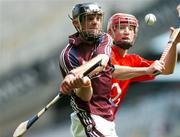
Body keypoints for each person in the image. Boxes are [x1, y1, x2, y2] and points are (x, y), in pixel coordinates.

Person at [58, 3, 165, 137]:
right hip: (88, 118)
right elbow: (84, 96)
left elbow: (105, 65)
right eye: (90, 19)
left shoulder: (104, 38)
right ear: (77, 23)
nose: (95, 22)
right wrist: (85, 84)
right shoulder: (68, 55)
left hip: (107, 121)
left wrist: (146, 70)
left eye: (98, 18)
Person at [107, 13, 180, 118]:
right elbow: (113, 71)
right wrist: (146, 70)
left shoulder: (133, 60)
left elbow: (166, 69)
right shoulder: (104, 53)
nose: (127, 31)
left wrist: (173, 44)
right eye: (122, 28)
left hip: (107, 120)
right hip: (92, 116)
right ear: (110, 32)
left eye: (131, 29)